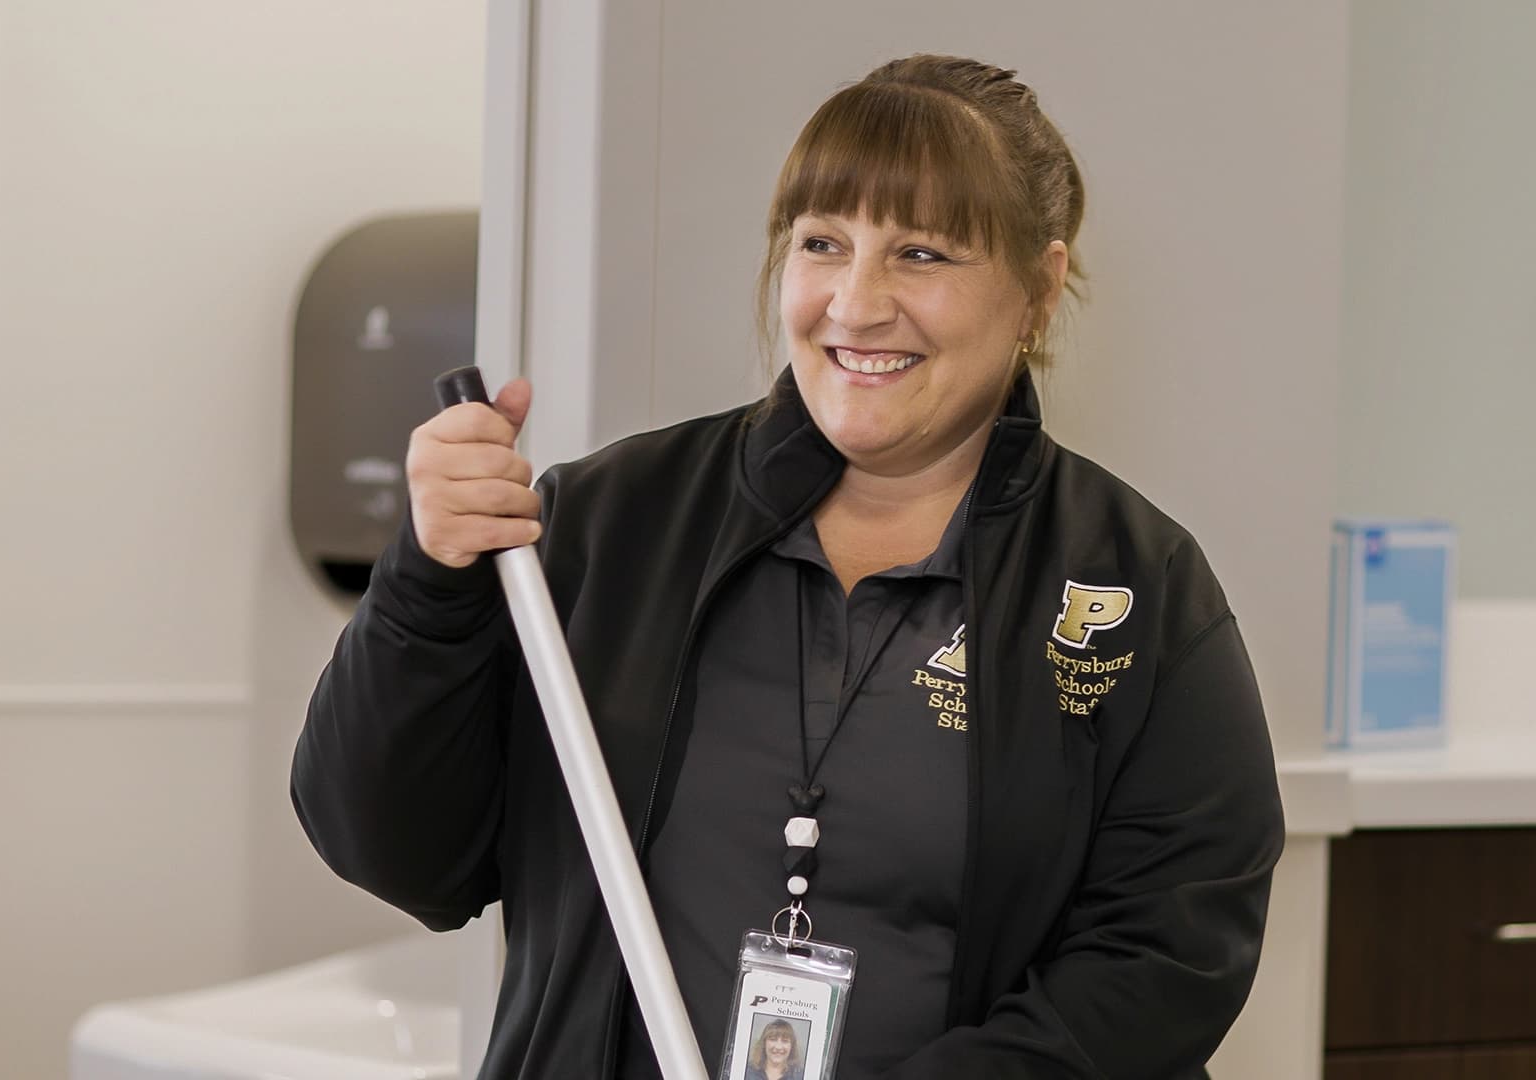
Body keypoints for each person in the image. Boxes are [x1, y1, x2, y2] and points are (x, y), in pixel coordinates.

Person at [293, 53, 1284, 1079]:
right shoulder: (606, 527)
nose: (855, 305)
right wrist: (430, 582)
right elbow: (393, 852)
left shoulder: (1136, 591)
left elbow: (1166, 959)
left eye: (924, 255)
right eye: (823, 244)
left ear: (1039, 285)